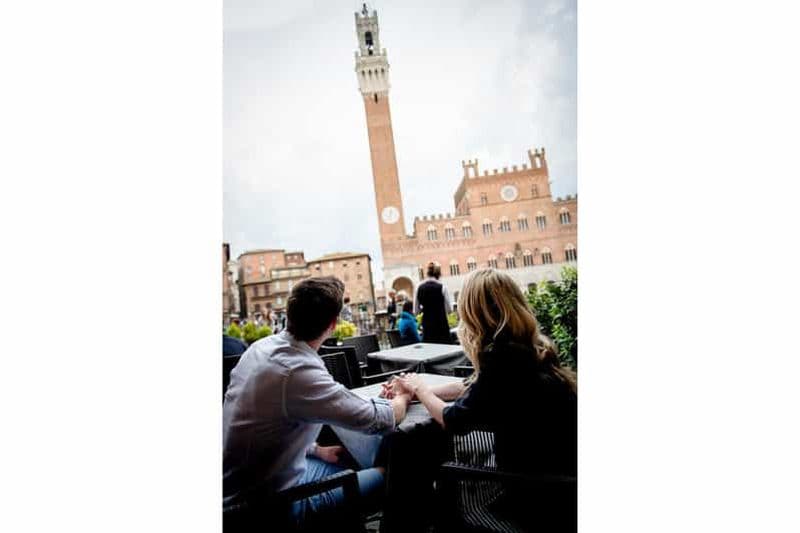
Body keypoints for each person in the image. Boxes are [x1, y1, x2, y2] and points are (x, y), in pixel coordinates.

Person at [391, 268, 577, 529]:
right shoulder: (528, 349)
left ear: (473, 312)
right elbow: (473, 386)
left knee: (421, 466)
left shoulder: (501, 358)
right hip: (563, 491)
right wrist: (416, 389)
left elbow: (453, 420)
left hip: (534, 498)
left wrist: (421, 389)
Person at [223, 277, 414, 528]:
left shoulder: (260, 348)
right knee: (394, 475)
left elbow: (266, 427)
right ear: (333, 325)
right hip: (267, 508)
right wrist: (404, 395)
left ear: (289, 313)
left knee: (346, 460)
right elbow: (381, 419)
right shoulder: (298, 369)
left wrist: (316, 450)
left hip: (234, 491)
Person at [413, 262, 452, 344]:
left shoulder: (419, 288)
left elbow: (416, 311)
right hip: (441, 324)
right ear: (438, 274)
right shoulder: (442, 287)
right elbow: (449, 309)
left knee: (430, 348)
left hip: (427, 326)